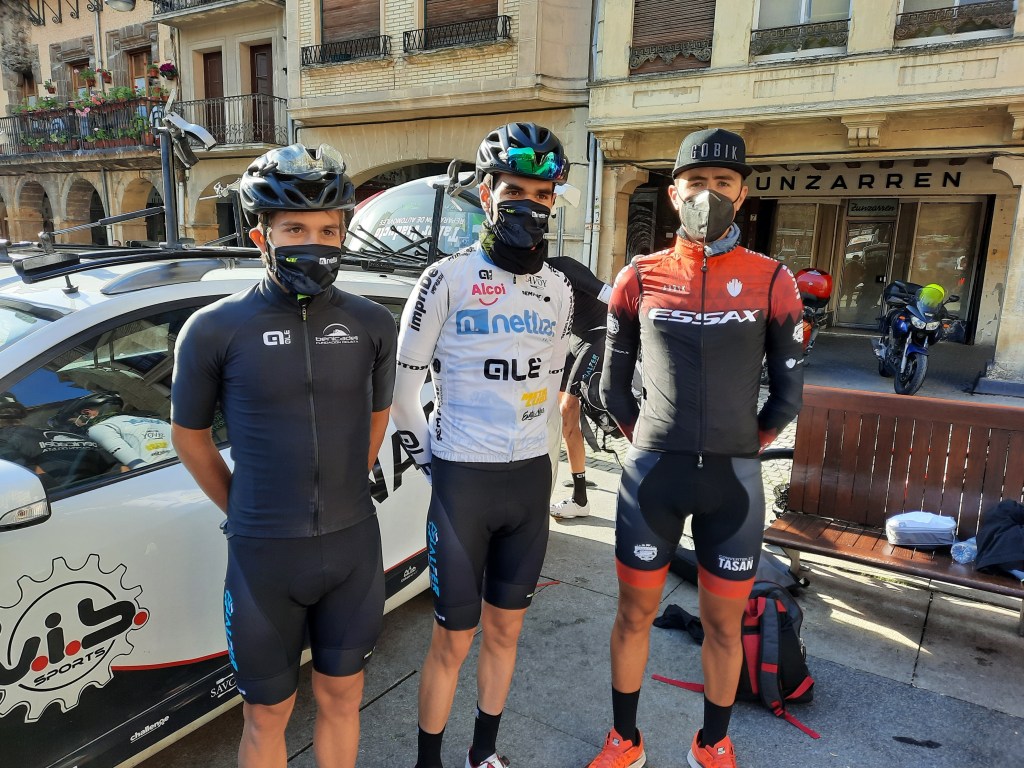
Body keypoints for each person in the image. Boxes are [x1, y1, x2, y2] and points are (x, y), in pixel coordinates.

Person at [170, 143, 397, 768]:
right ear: (260, 236)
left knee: (342, 697)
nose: (315, 243)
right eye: (295, 229)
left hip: (352, 546)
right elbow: (188, 436)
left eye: (329, 230)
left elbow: (376, 420)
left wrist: (343, 488)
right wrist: (245, 509)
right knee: (266, 715)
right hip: (263, 557)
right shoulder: (215, 328)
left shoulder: (373, 323)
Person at [589, 128, 804, 768]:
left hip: (733, 485)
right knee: (633, 616)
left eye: (723, 182)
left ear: (741, 194)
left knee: (723, 624)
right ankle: (624, 740)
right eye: (696, 182)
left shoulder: (773, 279)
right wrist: (653, 441)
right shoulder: (638, 275)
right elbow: (611, 388)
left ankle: (713, 743)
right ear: (674, 191)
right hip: (653, 477)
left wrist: (740, 445)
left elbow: (787, 396)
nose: (708, 193)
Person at [391, 122, 574, 768]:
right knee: (453, 640)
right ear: (487, 193)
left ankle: (483, 753)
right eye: (515, 190)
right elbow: (403, 397)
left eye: (542, 194)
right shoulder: (445, 279)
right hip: (462, 484)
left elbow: (550, 393)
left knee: (506, 632)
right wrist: (435, 470)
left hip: (529, 484)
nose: (530, 204)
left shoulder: (559, 289)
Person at [545, 255, 612, 519]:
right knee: (563, 417)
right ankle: (580, 498)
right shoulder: (526, 281)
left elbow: (612, 295)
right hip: (573, 339)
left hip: (600, 334)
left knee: (567, 408)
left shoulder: (563, 267)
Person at [0, 391, 121, 488]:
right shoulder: (72, 435)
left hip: (73, 503)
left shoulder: (5, 440)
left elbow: (31, 477)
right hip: (114, 493)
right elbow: (119, 468)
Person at [55, 392, 175, 468]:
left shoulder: (98, 428)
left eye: (73, 422)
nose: (74, 427)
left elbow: (138, 466)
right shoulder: (156, 420)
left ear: (86, 413)